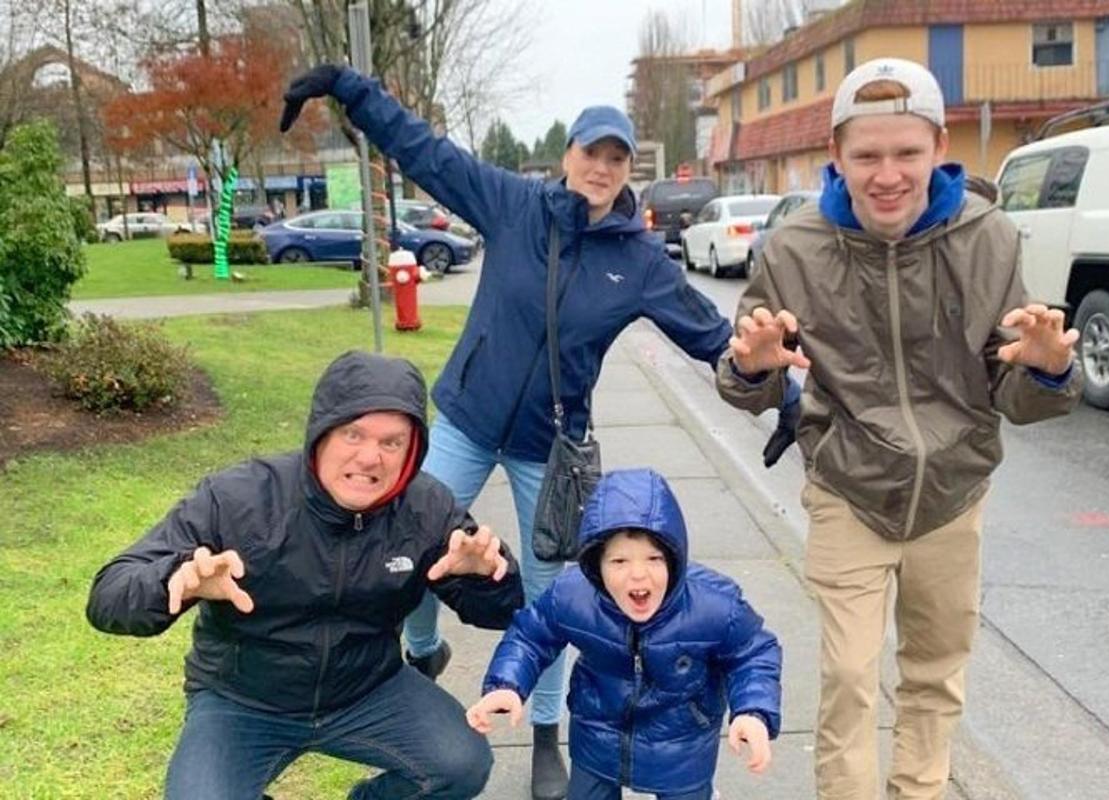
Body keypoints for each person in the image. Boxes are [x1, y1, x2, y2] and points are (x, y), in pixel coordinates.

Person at [278, 65, 800, 799]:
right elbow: (425, 151)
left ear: (628, 169)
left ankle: (548, 732)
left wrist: (787, 395)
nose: (601, 167)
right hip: (464, 416)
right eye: (591, 151)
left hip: (549, 450)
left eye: (616, 158)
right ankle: (422, 650)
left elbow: (714, 338)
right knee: (410, 543)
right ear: (568, 155)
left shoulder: (641, 260)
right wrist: (346, 87)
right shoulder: (513, 204)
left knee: (555, 593)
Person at [715, 58, 1084, 800]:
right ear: (838, 158)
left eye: (907, 154)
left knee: (935, 671)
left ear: (939, 148)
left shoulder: (989, 239)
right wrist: (752, 368)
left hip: (954, 489)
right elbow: (745, 379)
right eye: (868, 156)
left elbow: (1009, 385)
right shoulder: (794, 249)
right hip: (850, 486)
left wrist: (1045, 371)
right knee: (850, 675)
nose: (888, 175)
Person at [86, 350, 524, 800]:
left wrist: (487, 576)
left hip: (367, 688)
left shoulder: (426, 506)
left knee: (463, 764)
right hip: (243, 699)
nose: (371, 457)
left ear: (411, 450)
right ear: (321, 432)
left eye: (392, 442)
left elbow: (502, 611)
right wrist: (171, 581)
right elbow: (108, 596)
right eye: (353, 434)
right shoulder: (239, 498)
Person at [466, 468, 782, 800]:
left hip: (682, 742)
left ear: (675, 559)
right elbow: (531, 635)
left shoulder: (713, 604)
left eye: (654, 558)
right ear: (595, 564)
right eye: (619, 561)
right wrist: (507, 684)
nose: (638, 575)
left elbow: (753, 652)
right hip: (597, 730)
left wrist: (753, 710)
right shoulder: (573, 594)